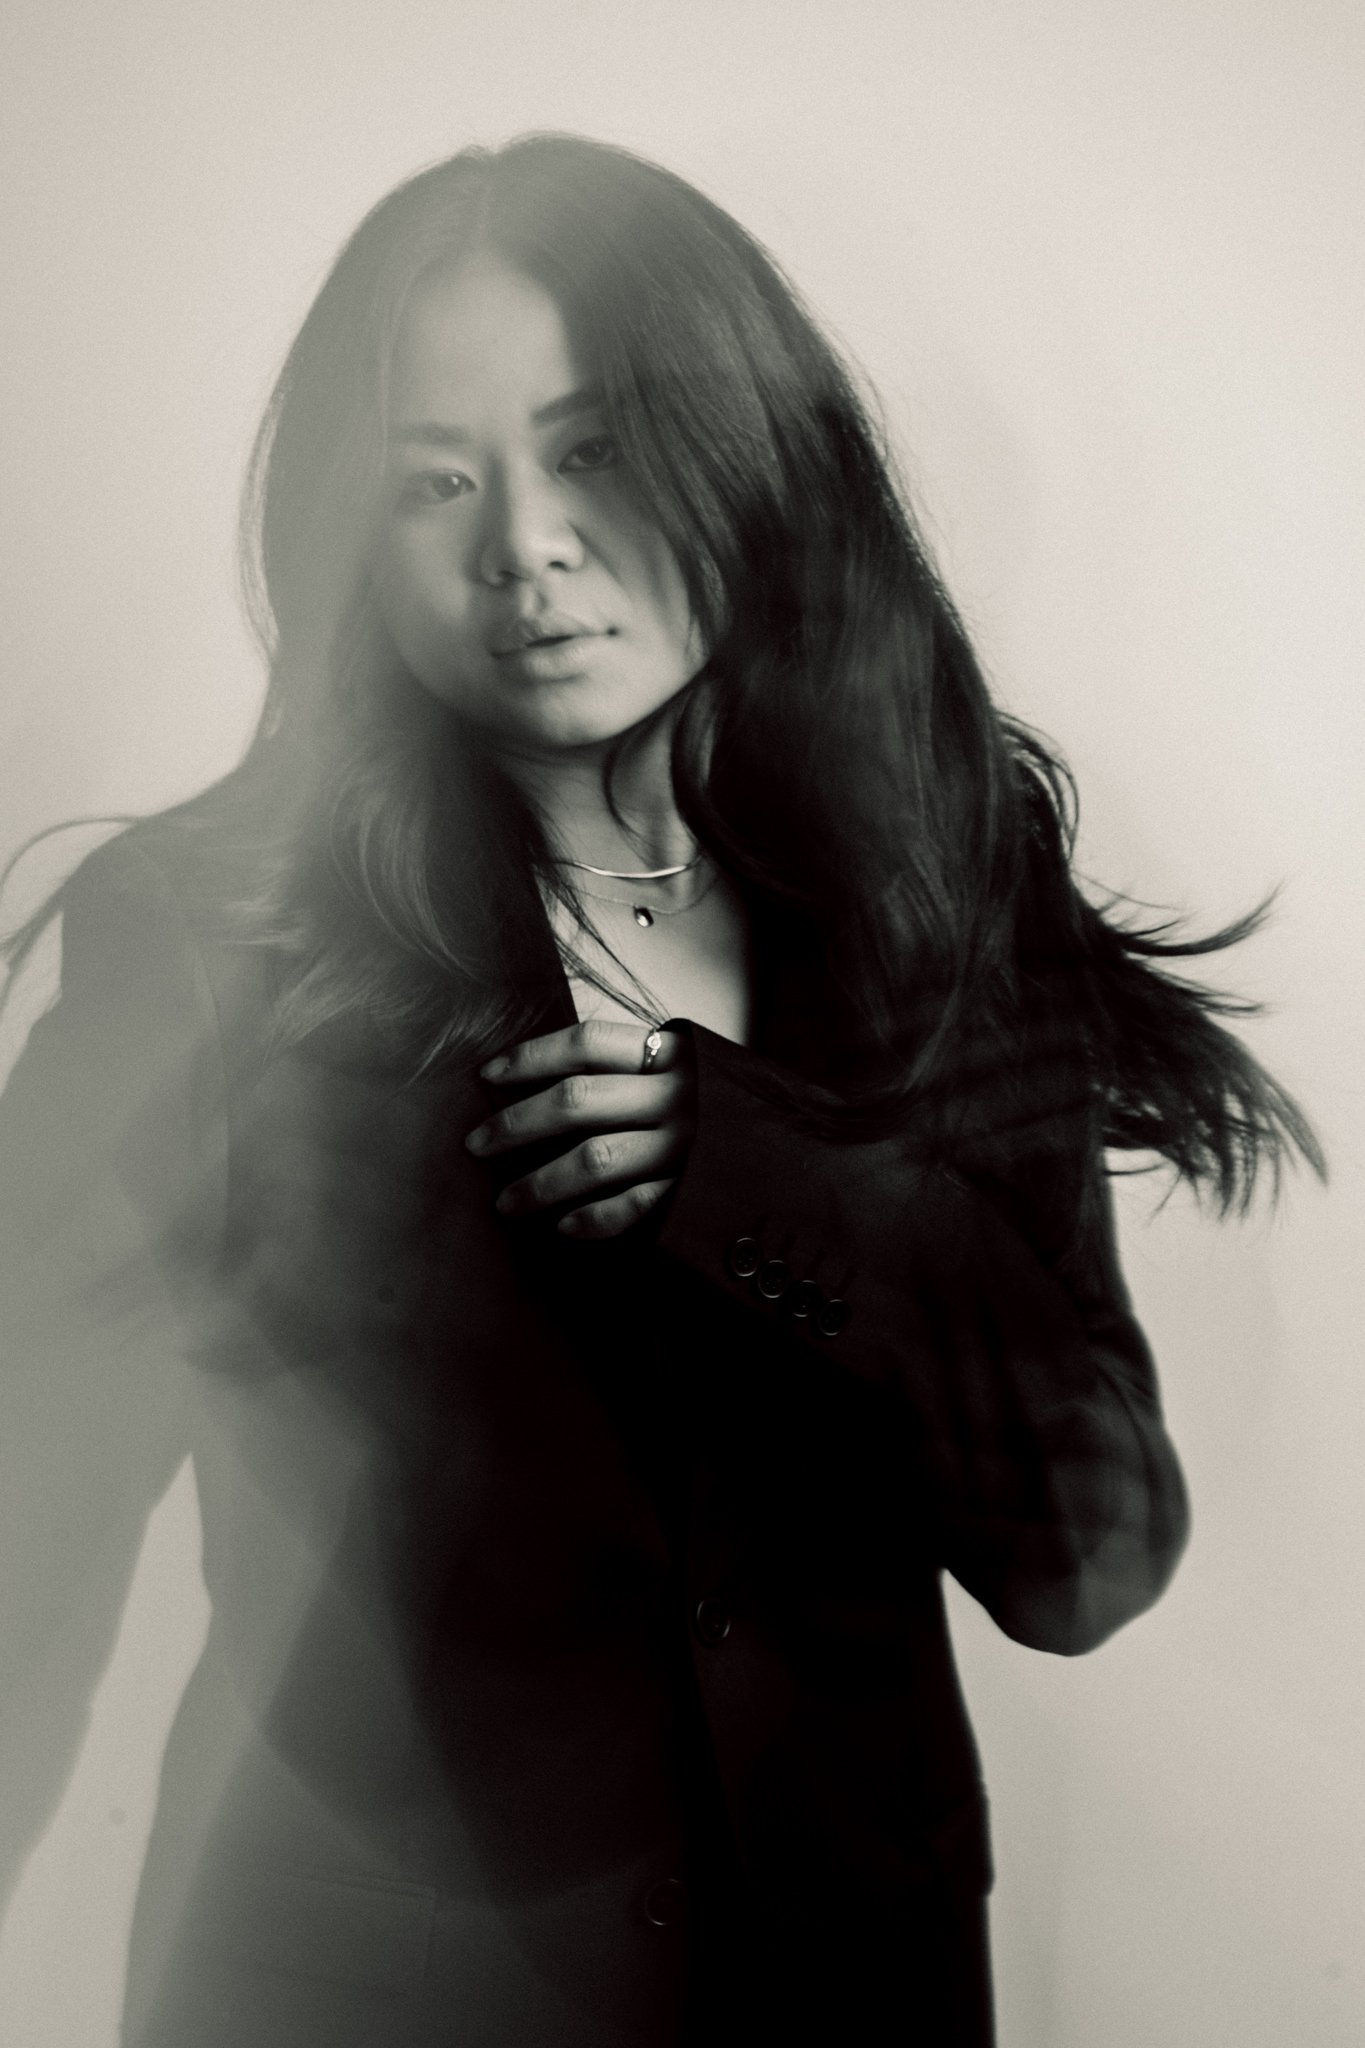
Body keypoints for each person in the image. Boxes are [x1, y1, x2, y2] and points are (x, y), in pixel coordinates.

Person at [0, 133, 1322, 2048]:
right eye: (432, 481)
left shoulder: (938, 893)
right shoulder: (213, 940)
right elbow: (22, 1534)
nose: (523, 542)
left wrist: (801, 1191)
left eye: (597, 447)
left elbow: (1087, 1555)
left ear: (744, 455)